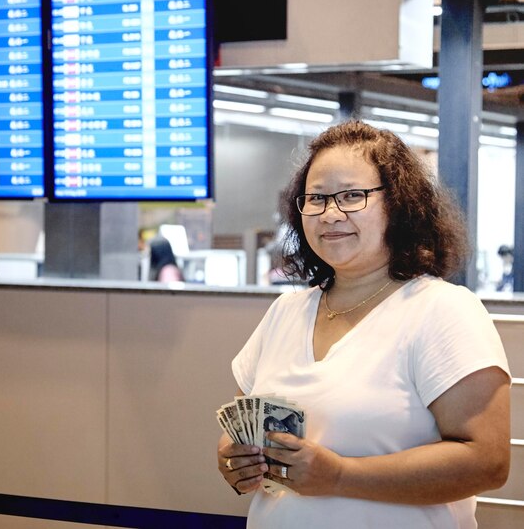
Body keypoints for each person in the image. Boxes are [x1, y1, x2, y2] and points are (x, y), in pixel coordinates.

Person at [217, 120, 511, 528]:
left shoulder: (442, 311)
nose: (330, 214)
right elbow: (238, 429)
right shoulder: (286, 313)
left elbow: (487, 462)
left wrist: (339, 476)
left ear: (399, 204)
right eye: (315, 198)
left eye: (352, 196)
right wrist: (236, 460)